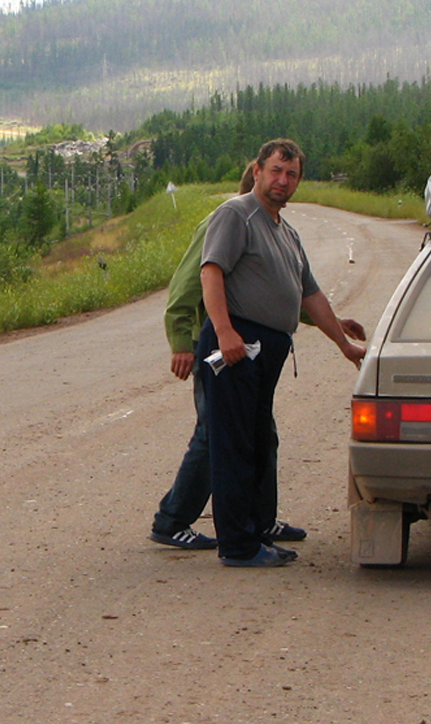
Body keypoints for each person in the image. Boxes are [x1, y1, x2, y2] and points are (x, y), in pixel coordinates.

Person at [150, 163, 365, 550]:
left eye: (291, 175)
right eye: (275, 173)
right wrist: (181, 341)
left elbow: (277, 289)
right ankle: (174, 520)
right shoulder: (228, 219)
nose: (282, 182)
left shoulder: (278, 229)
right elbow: (189, 284)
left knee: (259, 436)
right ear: (257, 174)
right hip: (225, 347)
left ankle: (260, 520)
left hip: (256, 350)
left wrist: (331, 324)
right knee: (216, 436)